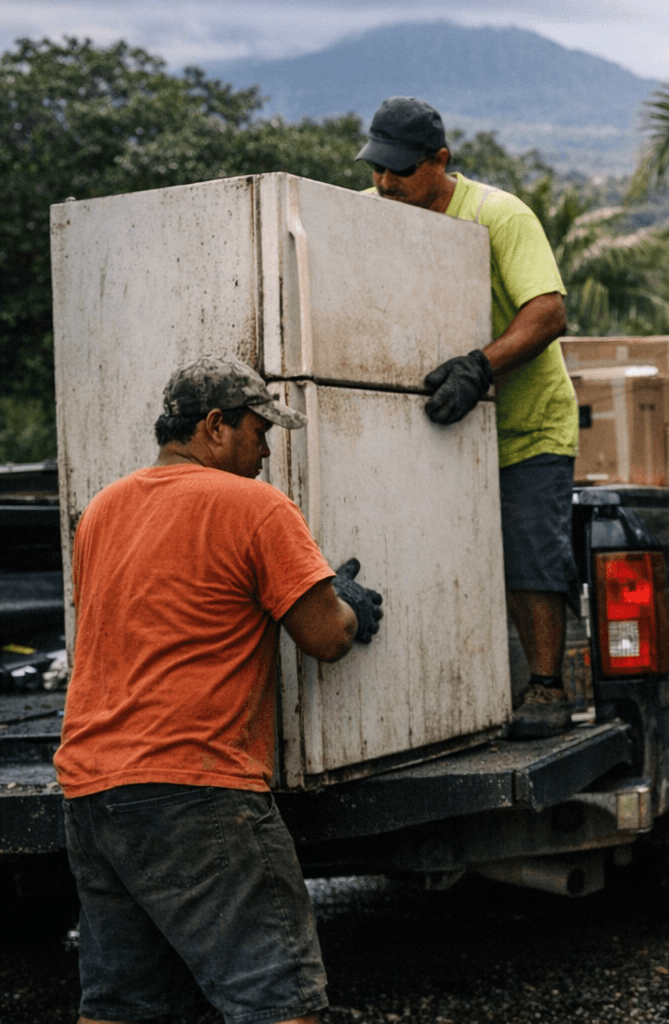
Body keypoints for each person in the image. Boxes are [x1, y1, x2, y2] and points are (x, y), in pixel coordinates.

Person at [54, 356, 383, 1024]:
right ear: (213, 426)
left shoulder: (100, 512)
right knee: (277, 999)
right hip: (196, 788)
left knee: (119, 1004)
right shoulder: (256, 506)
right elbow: (324, 636)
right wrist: (345, 602)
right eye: (258, 431)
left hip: (92, 793)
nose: (266, 449)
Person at [356, 95, 579, 724]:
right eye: (377, 168)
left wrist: (481, 367)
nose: (384, 181)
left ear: (441, 162)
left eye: (399, 169)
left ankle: (545, 686)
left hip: (525, 423)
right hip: (435, 423)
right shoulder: (369, 214)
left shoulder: (497, 215)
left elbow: (548, 313)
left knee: (529, 555)